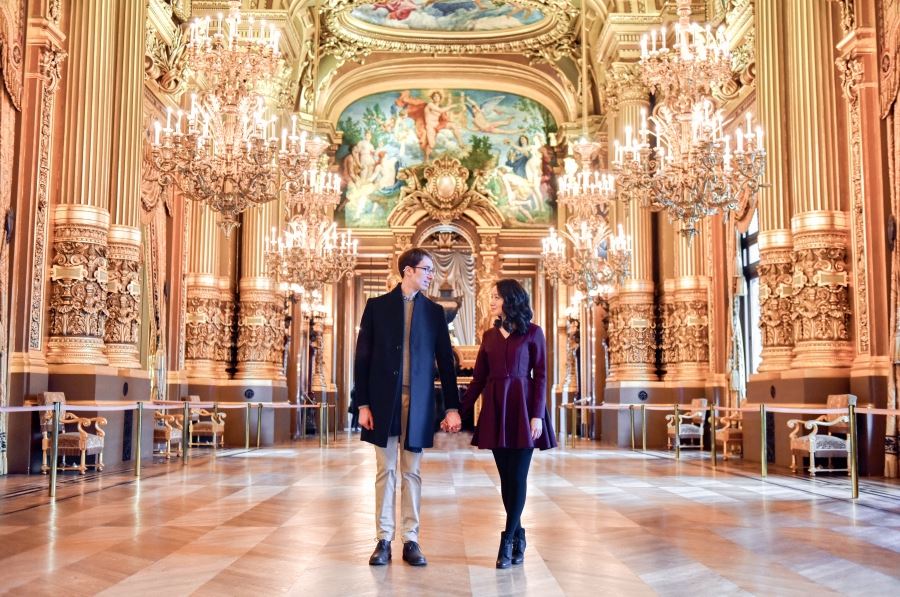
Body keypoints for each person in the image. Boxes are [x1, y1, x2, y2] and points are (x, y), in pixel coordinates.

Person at [354, 247, 461, 567]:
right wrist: (362, 404)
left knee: (411, 472)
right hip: (381, 402)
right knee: (384, 470)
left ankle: (411, 539)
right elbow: (362, 359)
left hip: (418, 404)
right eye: (426, 269)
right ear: (408, 271)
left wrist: (452, 408)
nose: (431, 275)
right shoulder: (376, 307)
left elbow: (446, 362)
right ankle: (383, 539)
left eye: (430, 270)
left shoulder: (433, 312)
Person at [443, 278, 556, 568]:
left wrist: (536, 415)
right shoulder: (489, 336)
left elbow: (541, 376)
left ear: (511, 299)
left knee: (517, 476)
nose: (491, 300)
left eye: (496, 296)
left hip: (523, 408)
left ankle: (507, 539)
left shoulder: (534, 333)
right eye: (491, 296)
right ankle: (519, 535)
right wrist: (455, 410)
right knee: (506, 478)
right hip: (495, 409)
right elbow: (479, 379)